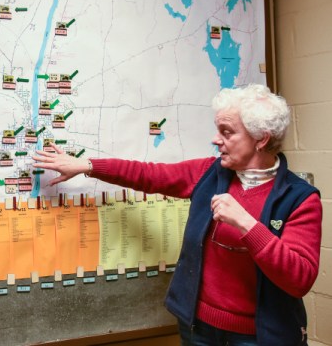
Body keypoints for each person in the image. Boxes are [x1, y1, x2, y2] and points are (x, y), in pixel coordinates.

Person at [33, 84, 321, 345]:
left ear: (261, 139)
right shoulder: (210, 173)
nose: (216, 139)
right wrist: (86, 165)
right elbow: (148, 175)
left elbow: (299, 278)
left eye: (227, 132)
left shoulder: (300, 198)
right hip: (199, 329)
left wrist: (247, 223)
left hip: (261, 337)